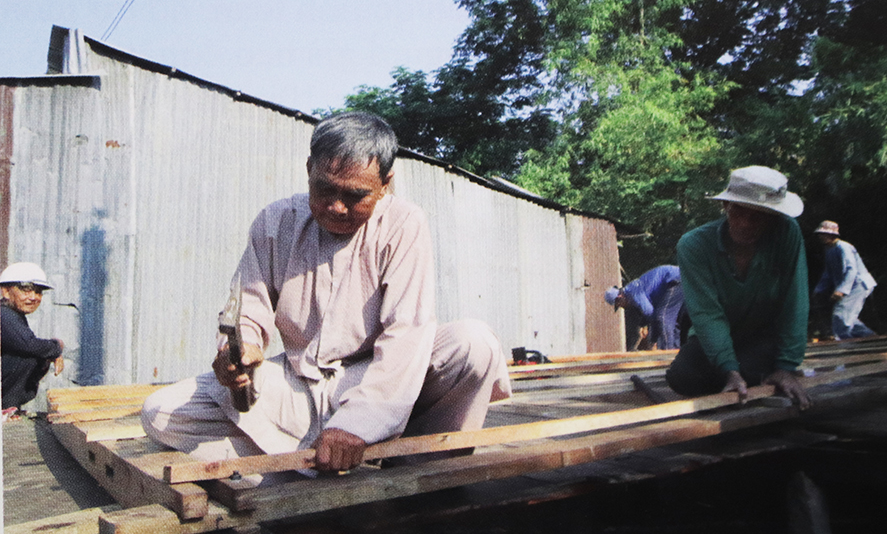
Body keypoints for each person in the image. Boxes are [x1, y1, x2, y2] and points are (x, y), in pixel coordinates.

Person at [142, 112, 511, 474]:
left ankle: (408, 462)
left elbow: (407, 335)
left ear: (386, 183)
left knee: (474, 345)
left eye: (355, 195)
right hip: (298, 383)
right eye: (324, 188)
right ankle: (323, 455)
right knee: (160, 413)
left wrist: (358, 424)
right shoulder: (276, 221)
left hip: (378, 378)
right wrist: (239, 352)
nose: (336, 207)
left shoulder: (405, 225)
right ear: (308, 170)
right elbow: (248, 308)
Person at [665, 166, 811, 410]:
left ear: (773, 217)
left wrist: (787, 367)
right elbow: (707, 315)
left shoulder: (786, 234)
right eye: (738, 211)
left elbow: (795, 302)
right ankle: (750, 375)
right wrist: (729, 371)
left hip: (763, 337)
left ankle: (762, 373)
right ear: (726, 207)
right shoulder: (694, 245)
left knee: (755, 366)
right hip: (716, 338)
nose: (745, 223)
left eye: (758, 216)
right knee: (682, 376)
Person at [1, 262, 64, 417]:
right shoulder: (4, 314)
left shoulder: (13, 313)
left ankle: (9, 406)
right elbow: (29, 345)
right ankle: (6, 406)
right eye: (26, 290)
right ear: (6, 292)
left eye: (38, 292)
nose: (33, 297)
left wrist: (52, 350)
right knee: (33, 354)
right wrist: (57, 347)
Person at [812, 220, 877, 340]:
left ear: (832, 235)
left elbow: (851, 269)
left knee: (840, 314)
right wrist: (819, 289)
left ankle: (843, 346)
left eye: (824, 233)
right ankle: (871, 338)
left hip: (858, 284)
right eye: (820, 234)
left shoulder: (844, 247)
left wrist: (842, 290)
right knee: (850, 318)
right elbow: (828, 273)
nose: (821, 236)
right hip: (850, 286)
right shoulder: (829, 249)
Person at [605, 265, 683, 350]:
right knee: (671, 320)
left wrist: (652, 338)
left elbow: (650, 312)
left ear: (619, 298)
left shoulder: (633, 292)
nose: (623, 308)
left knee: (663, 317)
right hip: (677, 280)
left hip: (673, 280)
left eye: (620, 305)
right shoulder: (633, 290)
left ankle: (669, 356)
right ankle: (676, 351)